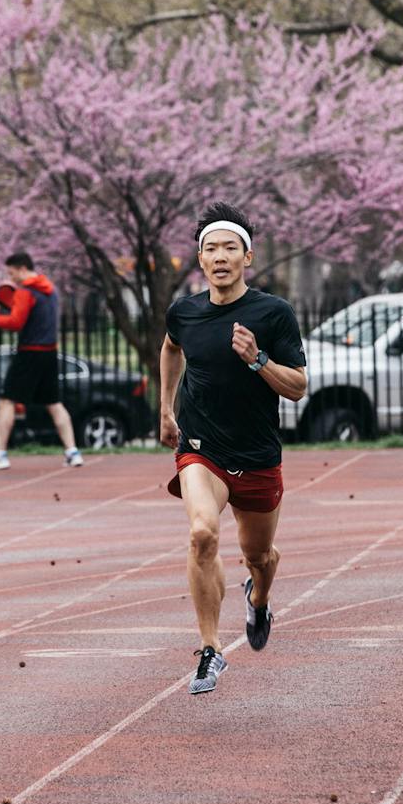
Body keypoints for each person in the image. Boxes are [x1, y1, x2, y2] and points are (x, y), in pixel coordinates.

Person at [160, 203, 307, 695]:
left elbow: (298, 387)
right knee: (202, 534)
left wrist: (257, 358)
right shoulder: (185, 312)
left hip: (257, 455)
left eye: (229, 248)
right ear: (200, 261)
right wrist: (165, 410)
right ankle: (210, 649)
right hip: (202, 448)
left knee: (259, 555)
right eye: (210, 249)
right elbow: (170, 347)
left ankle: (259, 599)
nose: (219, 257)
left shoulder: (273, 313)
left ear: (248, 257)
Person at [0, 252, 84, 470]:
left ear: (22, 268)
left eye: (11, 273)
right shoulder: (50, 290)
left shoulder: (25, 291)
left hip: (29, 353)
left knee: (7, 401)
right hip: (50, 353)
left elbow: (16, 322)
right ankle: (73, 452)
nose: (11, 278)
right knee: (54, 403)